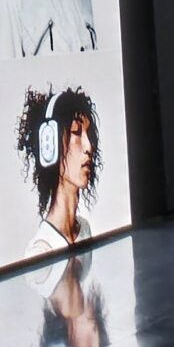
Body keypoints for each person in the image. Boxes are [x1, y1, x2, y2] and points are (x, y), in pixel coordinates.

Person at [17, 87, 103, 260]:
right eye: (76, 132)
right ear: (50, 145)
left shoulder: (84, 229)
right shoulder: (40, 252)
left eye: (88, 134)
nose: (88, 146)